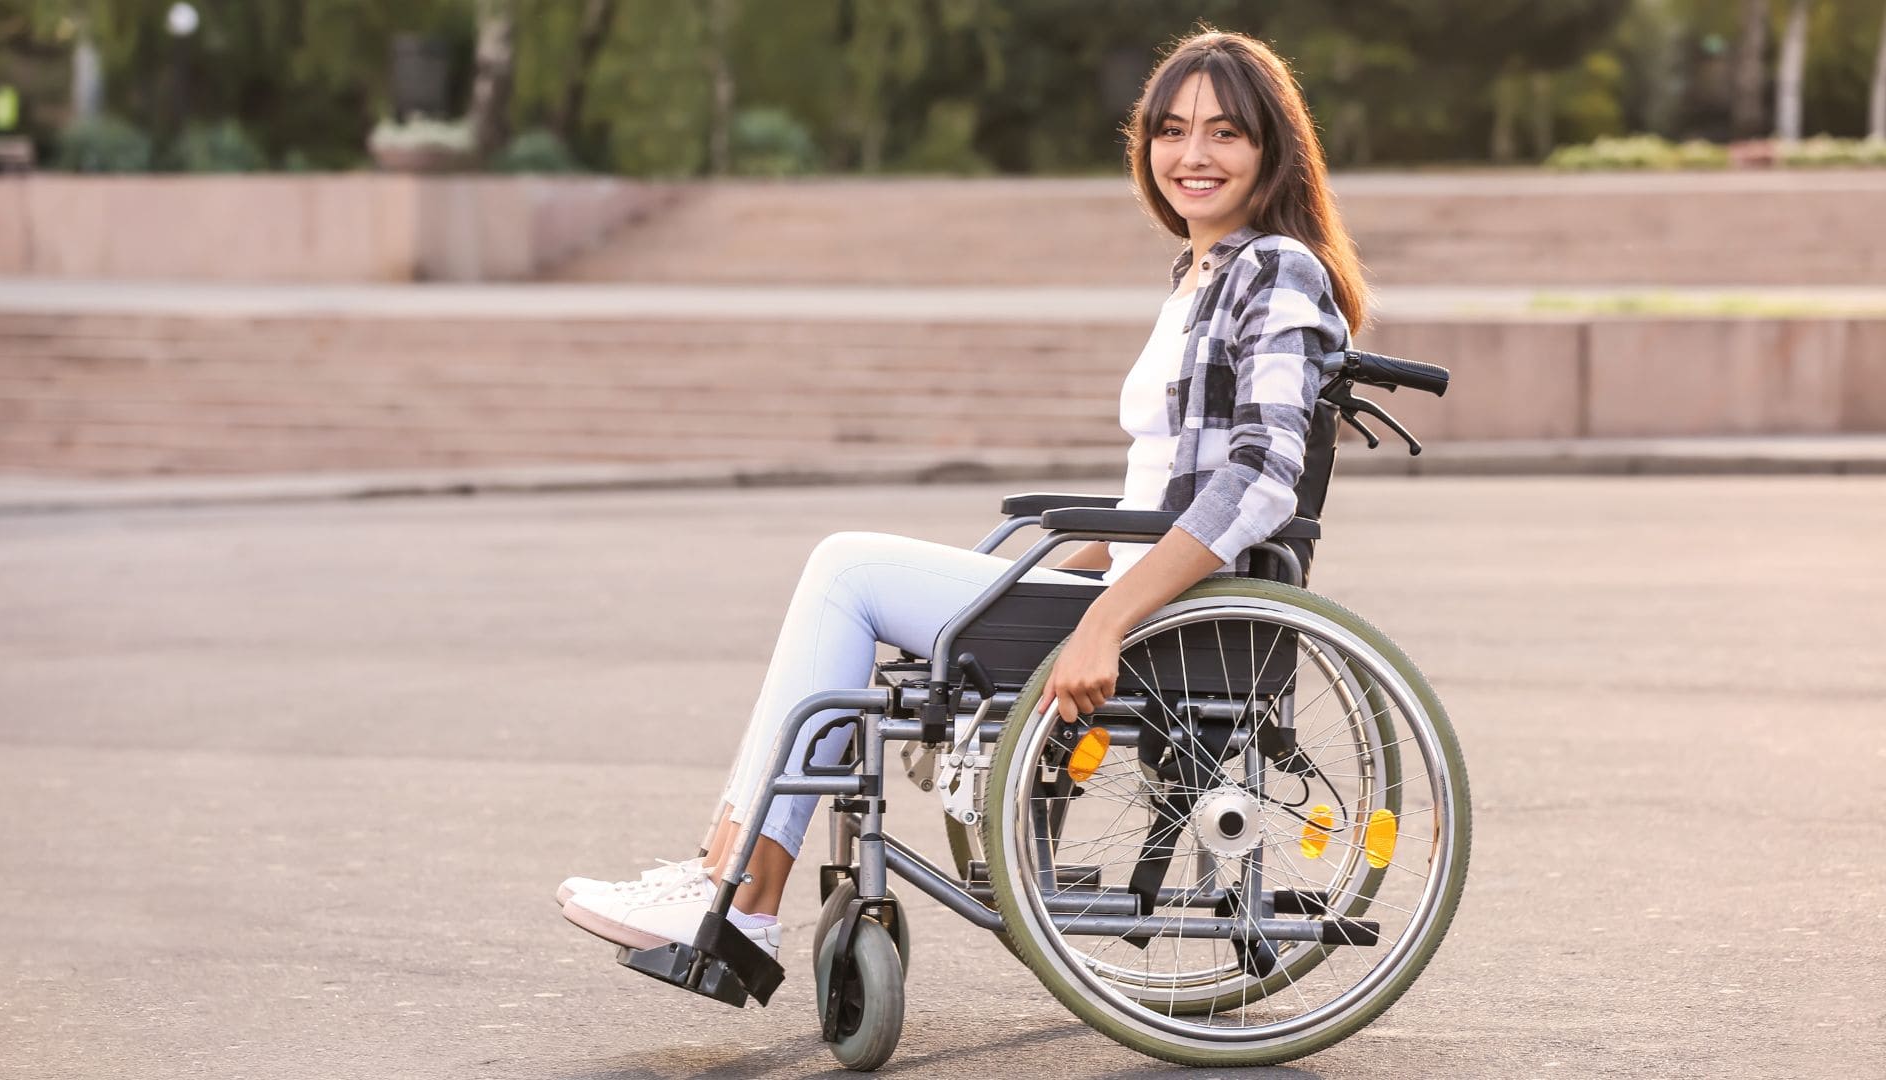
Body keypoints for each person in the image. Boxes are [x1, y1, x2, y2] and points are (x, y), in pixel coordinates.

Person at [556, 27, 1369, 961]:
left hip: (1168, 616)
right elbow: (1167, 484)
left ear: (1272, 149)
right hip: (1141, 586)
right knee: (854, 582)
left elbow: (1259, 481)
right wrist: (1074, 554)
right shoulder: (1203, 273)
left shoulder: (1275, 269)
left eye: (1225, 132)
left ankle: (736, 892)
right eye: (1171, 129)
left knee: (846, 571)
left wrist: (1105, 620)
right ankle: (726, 874)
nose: (1192, 155)